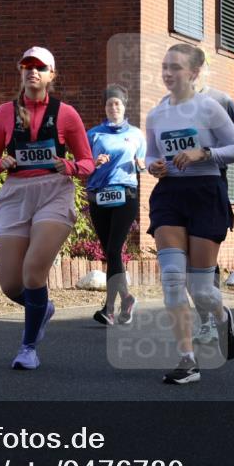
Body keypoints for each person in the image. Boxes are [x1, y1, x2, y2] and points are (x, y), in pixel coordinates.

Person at [0, 47, 94, 370]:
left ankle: (28, 347)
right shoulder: (4, 113)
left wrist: (70, 167)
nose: (32, 72)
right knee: (10, 284)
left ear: (51, 75)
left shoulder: (66, 114)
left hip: (53, 192)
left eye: (40, 67)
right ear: (20, 72)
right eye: (27, 66)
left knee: (33, 271)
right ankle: (41, 307)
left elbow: (86, 162)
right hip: (16, 193)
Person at [145, 43, 234, 384]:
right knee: (173, 281)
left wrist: (203, 153)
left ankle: (222, 314)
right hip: (170, 195)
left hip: (206, 193)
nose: (168, 73)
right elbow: (148, 157)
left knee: (201, 289)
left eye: (175, 67)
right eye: (165, 66)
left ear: (193, 73)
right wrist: (154, 166)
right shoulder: (156, 114)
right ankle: (187, 360)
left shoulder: (210, 108)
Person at [86, 84, 146, 326]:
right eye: (109, 104)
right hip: (99, 195)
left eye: (117, 103)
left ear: (124, 106)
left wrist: (142, 165)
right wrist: (94, 161)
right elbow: (82, 165)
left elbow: (143, 162)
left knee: (113, 250)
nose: (113, 107)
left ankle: (109, 309)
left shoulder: (136, 134)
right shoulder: (93, 134)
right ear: (105, 107)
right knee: (110, 253)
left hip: (125, 195)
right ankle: (127, 298)